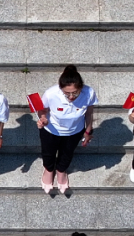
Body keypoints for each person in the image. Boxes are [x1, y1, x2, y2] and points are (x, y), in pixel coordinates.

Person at [34, 65, 96, 194]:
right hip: (51, 130)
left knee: (67, 153)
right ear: (60, 88)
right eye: (67, 93)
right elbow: (42, 110)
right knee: (48, 152)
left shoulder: (89, 93)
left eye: (75, 92)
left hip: (75, 131)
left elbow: (89, 113)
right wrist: (43, 119)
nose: (71, 96)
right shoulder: (51, 94)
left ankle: (61, 171)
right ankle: (49, 170)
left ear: (81, 87)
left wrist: (88, 131)